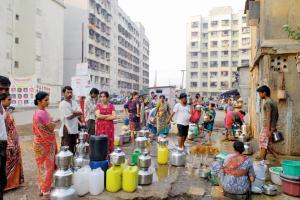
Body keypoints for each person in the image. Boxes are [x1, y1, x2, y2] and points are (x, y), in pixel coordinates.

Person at [32, 92, 58, 199]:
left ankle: (42, 189)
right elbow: (51, 127)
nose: (48, 102)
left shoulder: (38, 112)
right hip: (45, 144)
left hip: (39, 143)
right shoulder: (42, 113)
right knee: (48, 168)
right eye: (45, 100)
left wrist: (51, 122)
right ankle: (46, 193)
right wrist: (54, 122)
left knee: (41, 168)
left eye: (48, 99)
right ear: (39, 101)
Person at [0, 94, 24, 191]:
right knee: (8, 163)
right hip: (8, 142)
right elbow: (4, 130)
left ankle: (15, 183)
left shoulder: (7, 111)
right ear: (2, 101)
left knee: (15, 161)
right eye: (8, 99)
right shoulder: (3, 114)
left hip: (14, 141)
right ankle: (7, 185)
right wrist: (9, 143)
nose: (10, 101)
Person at [257, 85, 279, 160]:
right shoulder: (273, 101)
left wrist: (268, 130)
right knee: (267, 145)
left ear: (264, 93)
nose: (259, 95)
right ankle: (263, 160)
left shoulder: (267, 103)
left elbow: (268, 117)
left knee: (263, 144)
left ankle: (261, 162)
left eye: (260, 93)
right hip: (271, 126)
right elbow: (276, 116)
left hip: (267, 127)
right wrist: (273, 127)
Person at [59, 86, 82, 154]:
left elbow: (80, 112)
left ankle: (72, 163)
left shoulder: (74, 102)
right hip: (67, 129)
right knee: (66, 148)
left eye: (71, 92)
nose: (70, 94)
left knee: (74, 146)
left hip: (75, 128)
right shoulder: (63, 104)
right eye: (67, 92)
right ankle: (66, 164)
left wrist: (74, 113)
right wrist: (75, 113)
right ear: (63, 93)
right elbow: (68, 117)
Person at [0, 75, 10, 200]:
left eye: (6, 89)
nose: (3, 92)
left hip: (2, 146)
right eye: (1, 89)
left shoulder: (2, 107)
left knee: (2, 181)